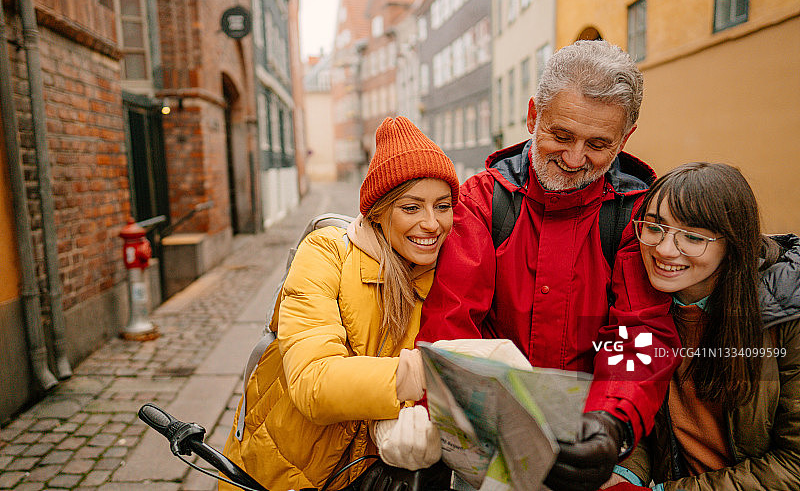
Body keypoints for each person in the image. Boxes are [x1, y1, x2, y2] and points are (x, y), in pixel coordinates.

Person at [415, 40, 681, 491]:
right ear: (533, 116)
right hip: (491, 429)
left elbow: (639, 332)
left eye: (599, 145)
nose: (576, 160)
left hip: (598, 431)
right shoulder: (483, 200)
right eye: (561, 135)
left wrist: (612, 423)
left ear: (626, 138)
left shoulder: (638, 214)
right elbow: (452, 325)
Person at [220, 116, 460, 491]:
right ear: (378, 212)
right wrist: (424, 375)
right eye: (411, 208)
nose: (432, 223)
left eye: (442, 206)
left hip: (368, 477)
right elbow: (312, 381)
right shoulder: (326, 252)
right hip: (281, 471)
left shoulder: (447, 277)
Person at [604, 162, 800, 491]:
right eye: (654, 228)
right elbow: (647, 420)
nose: (664, 250)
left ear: (734, 243)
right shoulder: (641, 301)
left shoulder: (786, 315)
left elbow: (794, 465)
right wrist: (625, 474)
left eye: (693, 237)